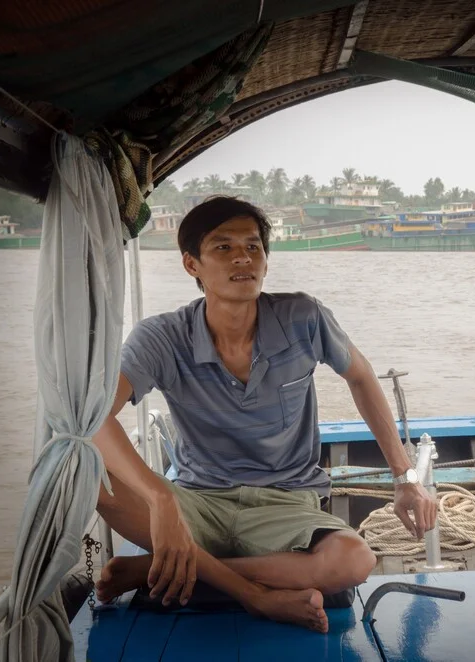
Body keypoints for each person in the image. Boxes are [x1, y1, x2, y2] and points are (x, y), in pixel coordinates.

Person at [91, 196, 436, 633]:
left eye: (254, 247)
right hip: (197, 501)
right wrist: (161, 501)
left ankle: (164, 570)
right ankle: (252, 594)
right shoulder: (162, 337)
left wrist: (405, 478)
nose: (242, 258)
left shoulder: (302, 317)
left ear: (267, 262)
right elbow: (96, 416)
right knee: (80, 471)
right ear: (191, 265)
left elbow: (362, 377)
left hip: (286, 501)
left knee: (354, 560)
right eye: (223, 247)